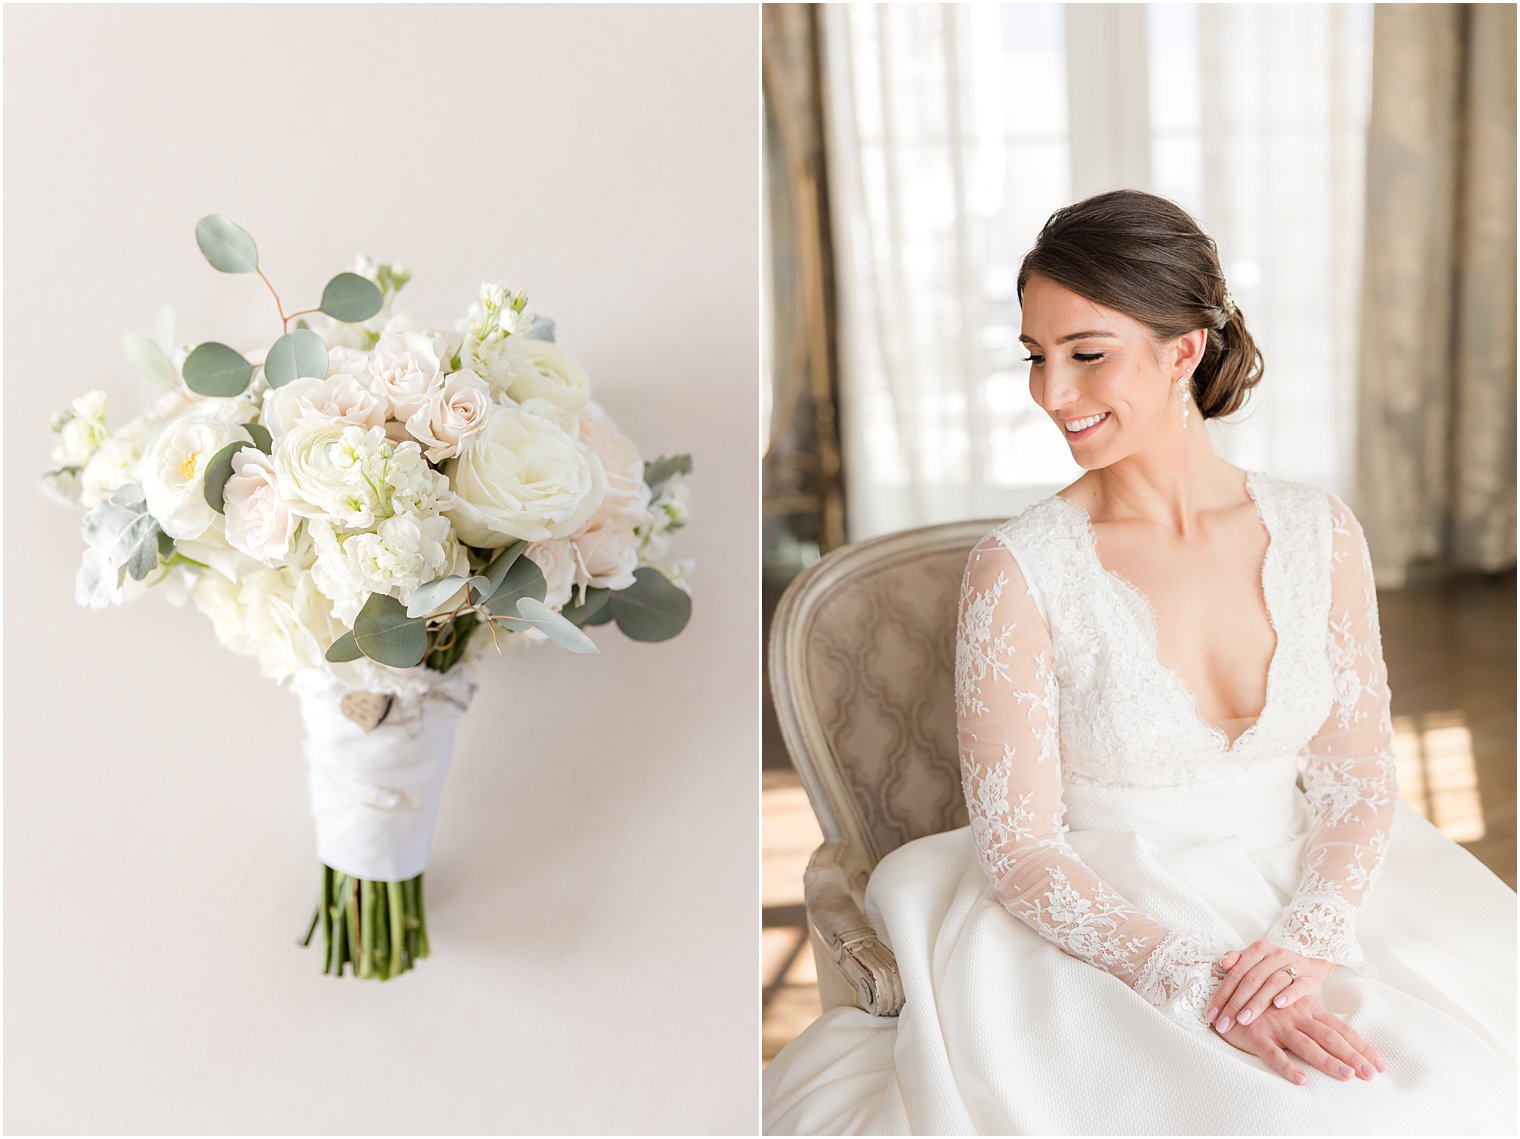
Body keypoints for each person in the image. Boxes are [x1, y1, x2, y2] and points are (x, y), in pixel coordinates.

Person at [763, 190, 1516, 1135]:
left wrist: (1314, 932)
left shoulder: (1321, 532)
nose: (1051, 393)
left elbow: (1357, 773)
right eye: (1036, 356)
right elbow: (1025, 850)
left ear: (1184, 350)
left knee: (1466, 1083)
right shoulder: (1022, 569)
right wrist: (1195, 978)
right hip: (1104, 908)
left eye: (1087, 354)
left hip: (1310, 878)